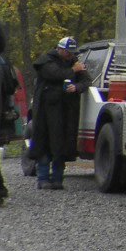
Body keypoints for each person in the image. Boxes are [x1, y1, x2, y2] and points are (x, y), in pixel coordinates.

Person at [29, 37, 88, 190]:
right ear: (59, 49)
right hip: (45, 111)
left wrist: (77, 87)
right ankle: (42, 178)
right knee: (44, 143)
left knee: (63, 144)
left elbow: (87, 80)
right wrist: (73, 71)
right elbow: (54, 74)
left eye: (72, 53)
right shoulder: (46, 60)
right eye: (68, 52)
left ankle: (57, 178)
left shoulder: (76, 62)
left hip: (67, 112)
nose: (70, 55)